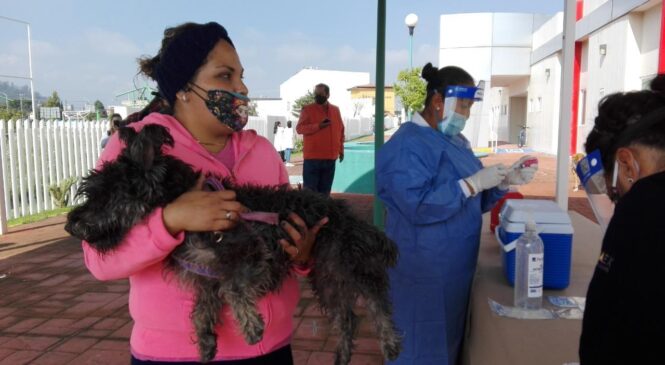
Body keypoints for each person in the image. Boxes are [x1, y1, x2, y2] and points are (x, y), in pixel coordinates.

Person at [81, 22, 327, 364]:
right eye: (225, 76)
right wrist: (170, 220)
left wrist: (302, 254)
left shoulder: (263, 152)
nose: (241, 87)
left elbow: (290, 239)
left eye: (241, 76)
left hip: (270, 346)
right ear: (183, 87)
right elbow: (99, 260)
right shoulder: (138, 147)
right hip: (177, 354)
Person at [376, 63, 537, 365]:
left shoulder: (456, 142)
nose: (465, 115)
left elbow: (474, 199)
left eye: (468, 107)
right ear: (439, 102)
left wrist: (502, 183)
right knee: (417, 343)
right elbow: (416, 205)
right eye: (463, 106)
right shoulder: (405, 145)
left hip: (454, 268)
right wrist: (469, 185)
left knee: (448, 341)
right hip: (421, 268)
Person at [578, 75, 665, 364]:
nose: (615, 199)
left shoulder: (642, 206)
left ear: (626, 163)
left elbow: (607, 325)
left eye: (612, 189)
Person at [296, 83, 345, 195]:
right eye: (316, 94)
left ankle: (323, 212)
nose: (317, 96)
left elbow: (341, 130)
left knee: (325, 192)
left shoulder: (335, 110)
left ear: (327, 95)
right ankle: (309, 213)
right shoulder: (307, 109)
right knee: (310, 193)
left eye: (320, 94)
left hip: (330, 159)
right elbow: (299, 129)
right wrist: (318, 126)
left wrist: (341, 150)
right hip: (313, 159)